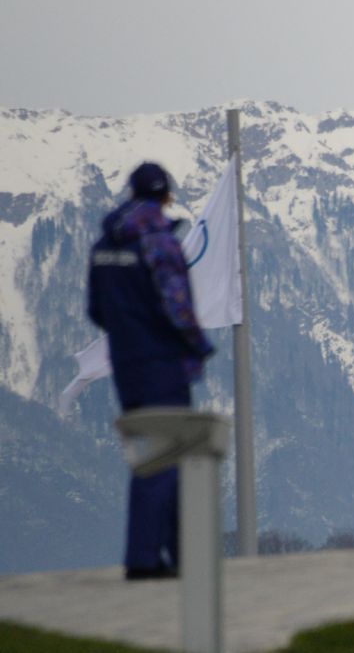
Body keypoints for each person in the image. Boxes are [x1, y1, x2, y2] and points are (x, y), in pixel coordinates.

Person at [86, 162, 217, 580]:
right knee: (162, 459)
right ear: (165, 196)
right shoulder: (159, 243)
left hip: (126, 366)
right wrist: (199, 345)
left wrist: (128, 336)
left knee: (154, 455)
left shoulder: (104, 245)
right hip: (163, 366)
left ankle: (179, 554)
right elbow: (177, 308)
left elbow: (95, 310)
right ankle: (144, 559)